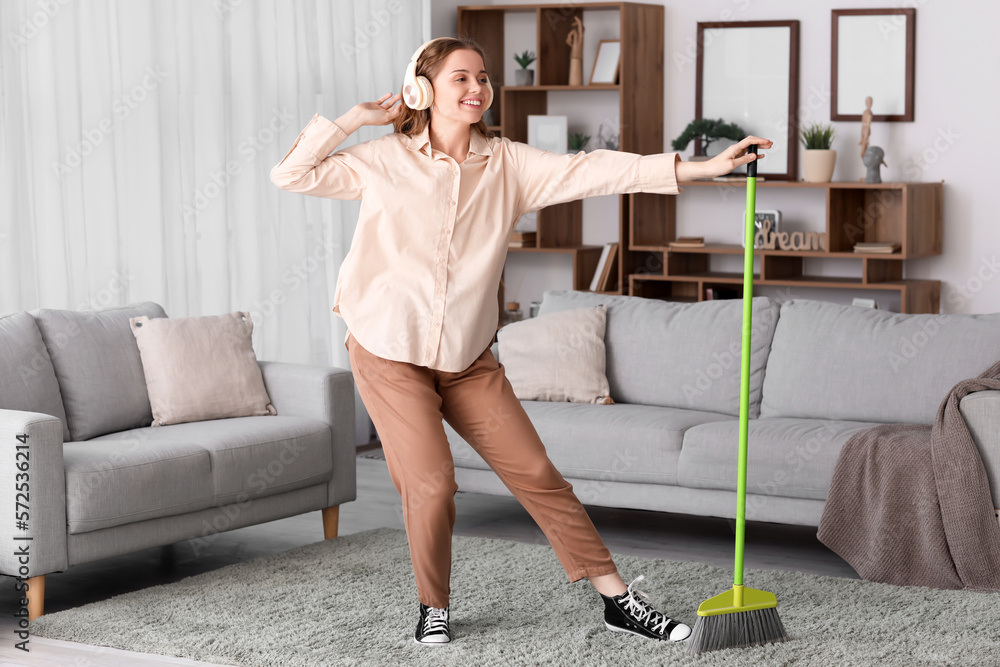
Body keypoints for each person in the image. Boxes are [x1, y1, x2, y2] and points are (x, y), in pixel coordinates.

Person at [270, 36, 771, 647]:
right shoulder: (381, 160)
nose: (477, 88)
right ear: (422, 89)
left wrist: (700, 168)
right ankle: (434, 604)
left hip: (468, 356)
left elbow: (595, 170)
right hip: (386, 350)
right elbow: (291, 174)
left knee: (537, 472)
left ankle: (617, 599)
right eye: (460, 79)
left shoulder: (508, 165)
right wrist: (353, 119)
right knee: (431, 483)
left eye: (482, 77)